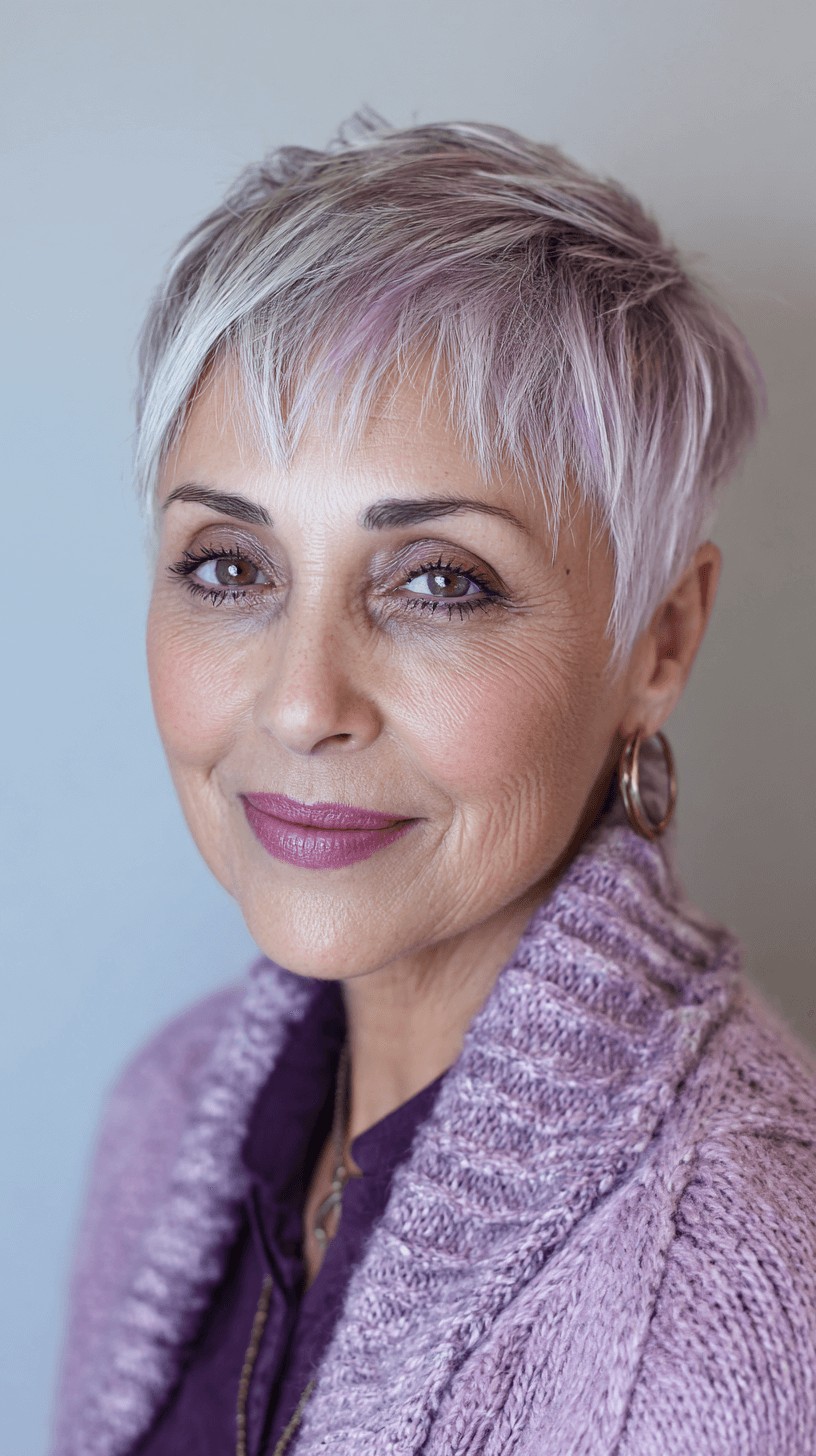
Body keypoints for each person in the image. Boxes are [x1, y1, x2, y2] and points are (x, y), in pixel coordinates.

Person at [50, 115, 816, 1456]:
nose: (301, 702)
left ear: (660, 643)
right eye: (230, 564)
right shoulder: (159, 1116)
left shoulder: (746, 1297)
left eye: (439, 582)